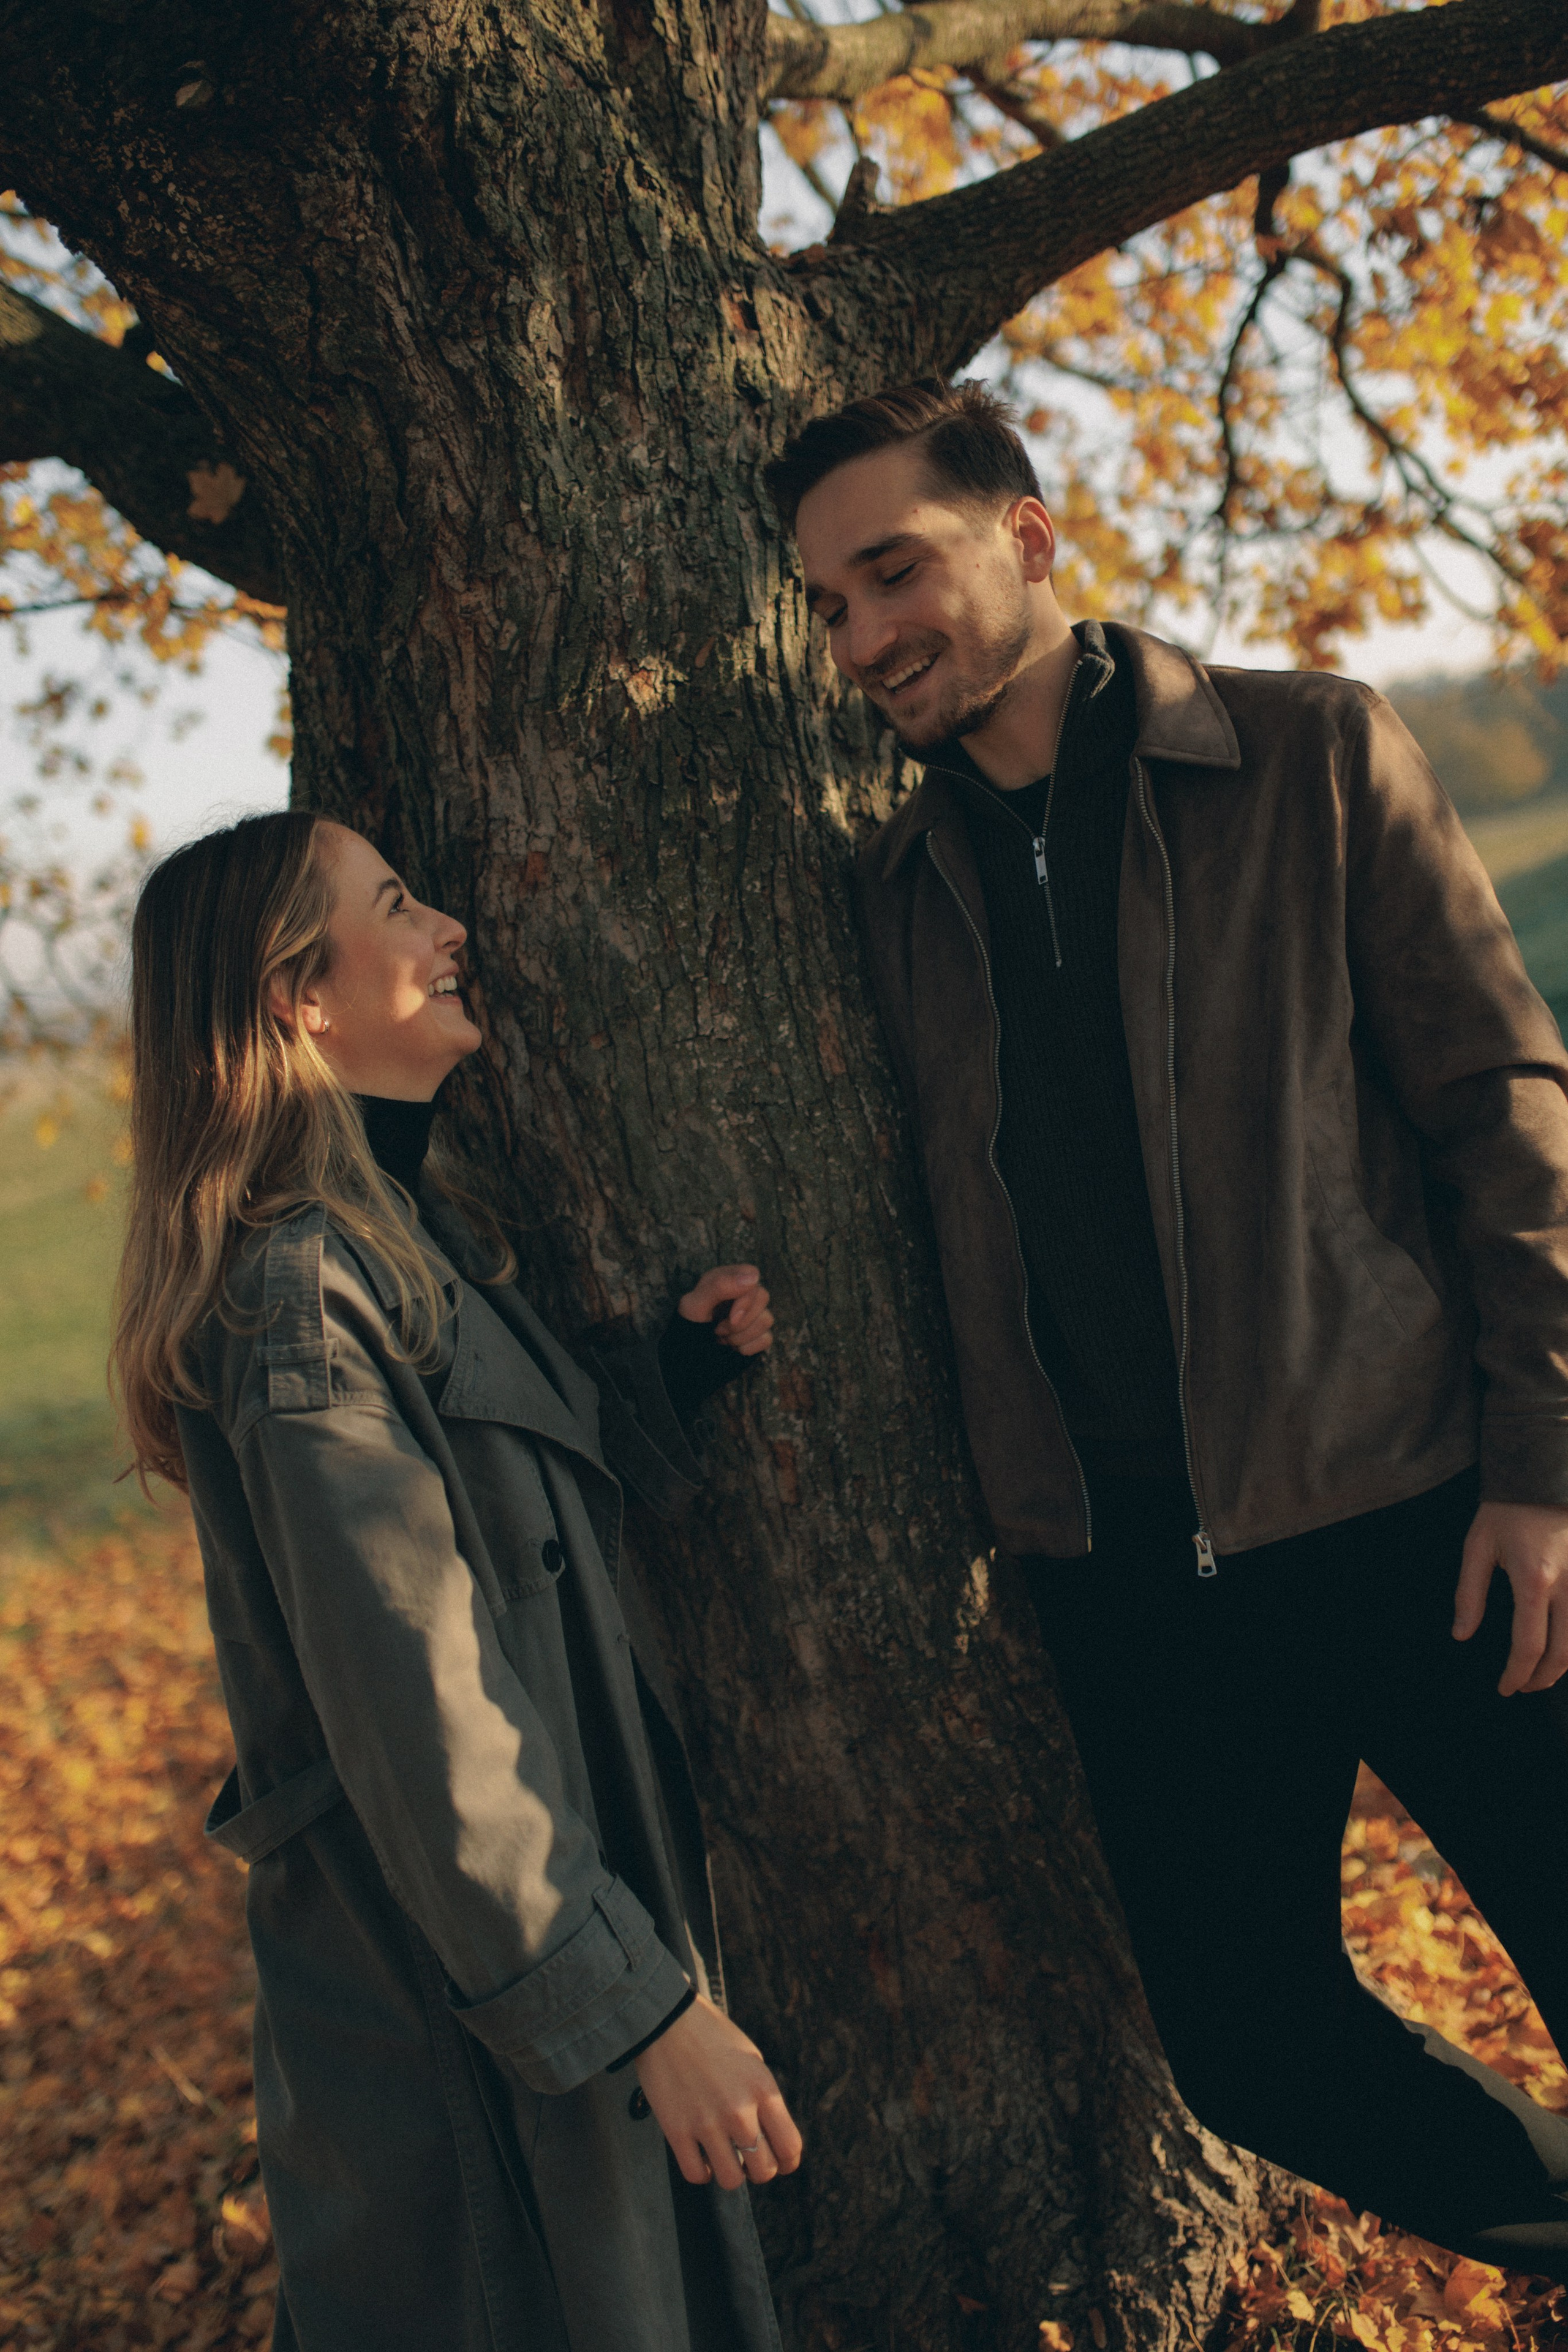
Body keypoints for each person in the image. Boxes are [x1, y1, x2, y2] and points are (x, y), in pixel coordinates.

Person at [765, 377, 1568, 2275]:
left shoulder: (1308, 754)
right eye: (828, 606)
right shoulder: (889, 894)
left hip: (1424, 1513)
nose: (865, 638)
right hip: (1133, 1589)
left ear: (1027, 535)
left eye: (895, 573)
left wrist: (1544, 1469)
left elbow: (1503, 1108)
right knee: (1249, 2045)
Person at [111, 809, 801, 2352]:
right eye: (396, 905)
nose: (446, 928)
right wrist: (636, 2008)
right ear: (299, 995)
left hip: (508, 1920)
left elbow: (477, 1485)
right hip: (458, 1964)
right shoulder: (301, 1294)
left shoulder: (401, 1226)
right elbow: (415, 1700)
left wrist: (657, 1381)